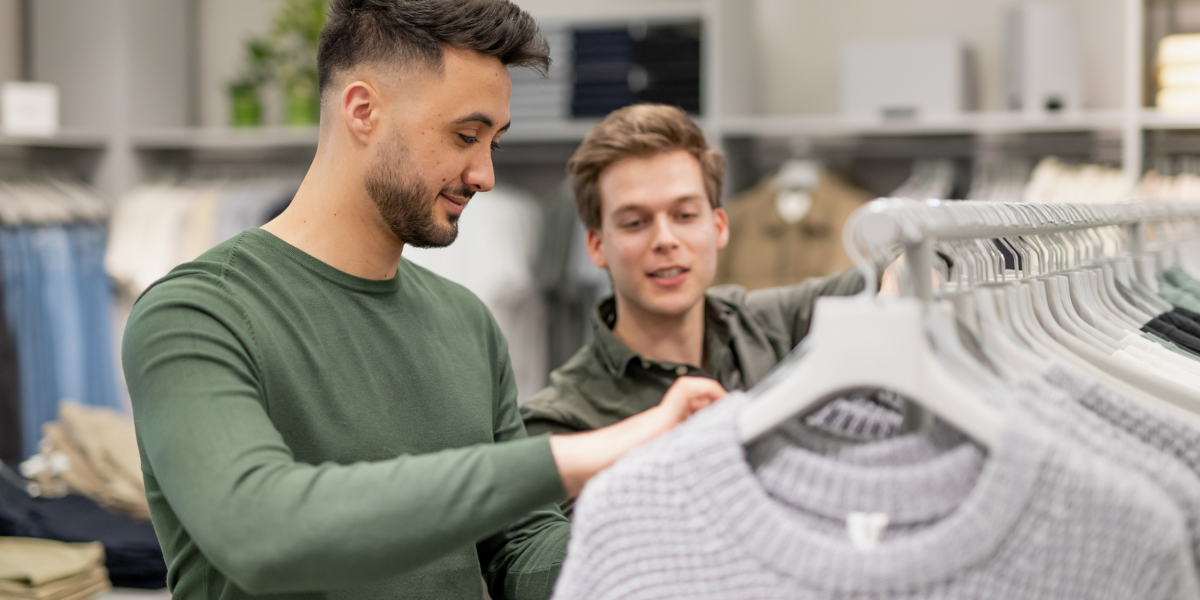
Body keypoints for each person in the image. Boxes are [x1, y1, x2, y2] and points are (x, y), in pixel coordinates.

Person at [120, 2, 725, 599]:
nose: (484, 174)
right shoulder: (196, 316)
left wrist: (674, 533)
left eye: (494, 142)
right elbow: (263, 533)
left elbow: (522, 549)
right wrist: (587, 452)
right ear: (363, 110)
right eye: (465, 135)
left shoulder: (465, 322)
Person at [520, 104, 900, 516]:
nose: (665, 239)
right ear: (596, 245)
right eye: (635, 222)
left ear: (719, 226)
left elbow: (912, 263)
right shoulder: (561, 421)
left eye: (685, 215)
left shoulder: (772, 323)